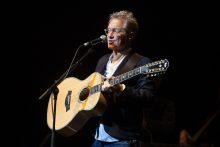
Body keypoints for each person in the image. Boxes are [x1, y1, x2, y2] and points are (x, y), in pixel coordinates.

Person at [91, 10, 156, 147]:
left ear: (130, 35)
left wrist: (121, 88)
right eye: (108, 30)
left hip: (122, 139)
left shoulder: (142, 62)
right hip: (98, 135)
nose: (109, 35)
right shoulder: (102, 61)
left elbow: (148, 97)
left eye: (115, 31)